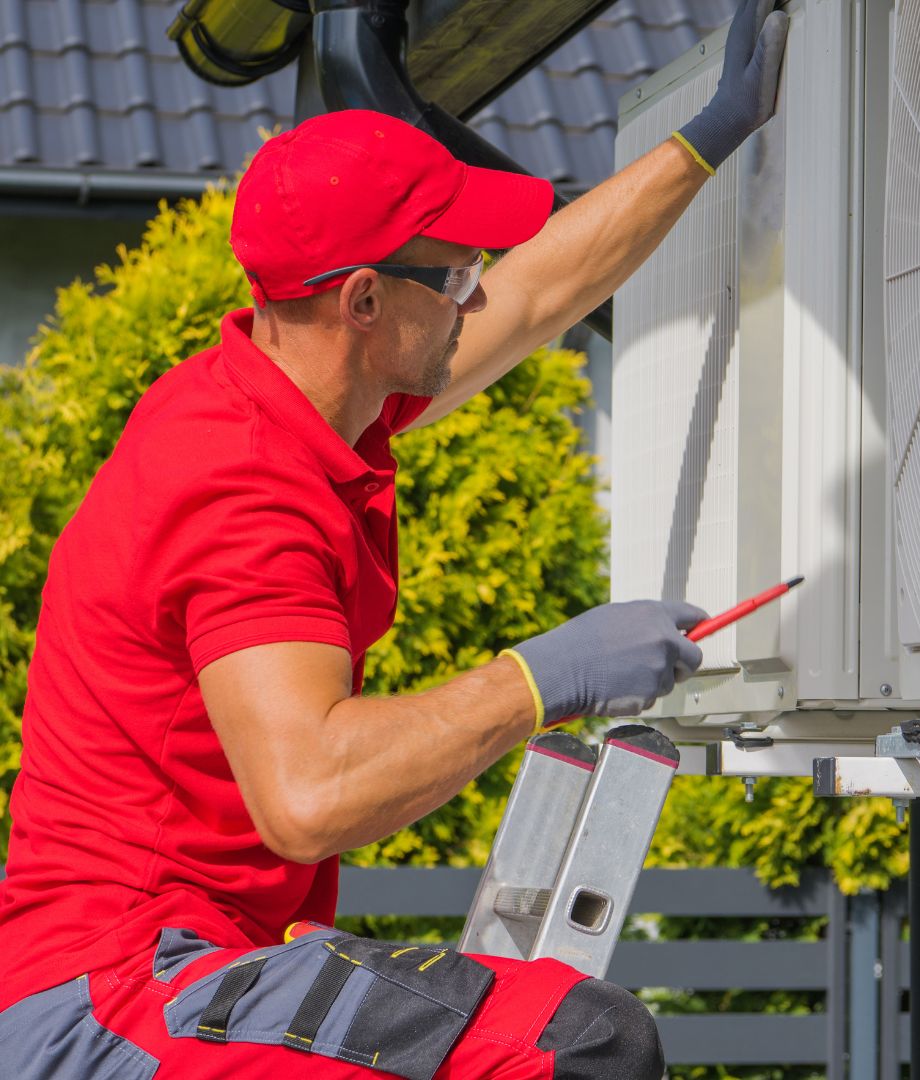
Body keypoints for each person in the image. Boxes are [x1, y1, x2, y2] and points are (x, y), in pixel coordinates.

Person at [0, 1, 788, 1076]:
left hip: (186, 963)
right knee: (579, 1044)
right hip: (118, 992)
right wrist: (543, 677)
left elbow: (541, 288)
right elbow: (310, 795)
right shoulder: (240, 487)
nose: (476, 289)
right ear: (365, 299)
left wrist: (711, 134)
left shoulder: (309, 394)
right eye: (456, 270)